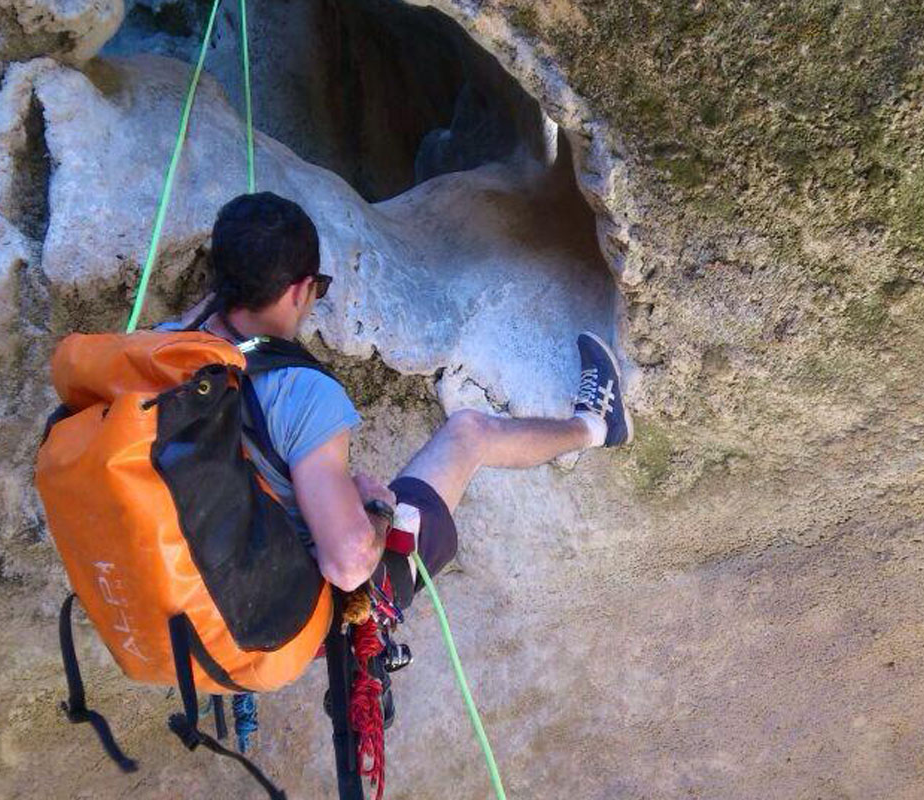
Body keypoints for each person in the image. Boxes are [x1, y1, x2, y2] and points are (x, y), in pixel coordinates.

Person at [163, 191, 632, 597]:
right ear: (299, 291)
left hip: (189, 595)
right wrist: (375, 509)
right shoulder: (300, 393)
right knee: (469, 432)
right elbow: (349, 564)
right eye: (318, 289)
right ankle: (594, 425)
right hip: (286, 608)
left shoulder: (159, 350)